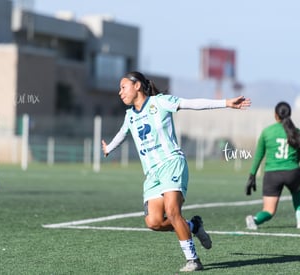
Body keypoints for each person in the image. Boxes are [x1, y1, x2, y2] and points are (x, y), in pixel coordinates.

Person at [101, 71, 251, 272]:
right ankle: (194, 227)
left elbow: (193, 104)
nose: (120, 92)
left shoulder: (160, 102)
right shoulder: (130, 115)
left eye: (123, 87)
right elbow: (122, 134)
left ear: (137, 86)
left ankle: (193, 260)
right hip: (152, 175)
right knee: (153, 222)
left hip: (172, 163)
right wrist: (109, 148)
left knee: (172, 212)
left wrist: (225, 103)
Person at [245, 101, 300, 230]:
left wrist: (252, 175)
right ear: (290, 114)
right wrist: (292, 165)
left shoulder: (267, 131)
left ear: (275, 115)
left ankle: (255, 220)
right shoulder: (297, 132)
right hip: (293, 171)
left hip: (272, 174)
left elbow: (258, 155)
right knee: (296, 191)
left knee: (269, 210)